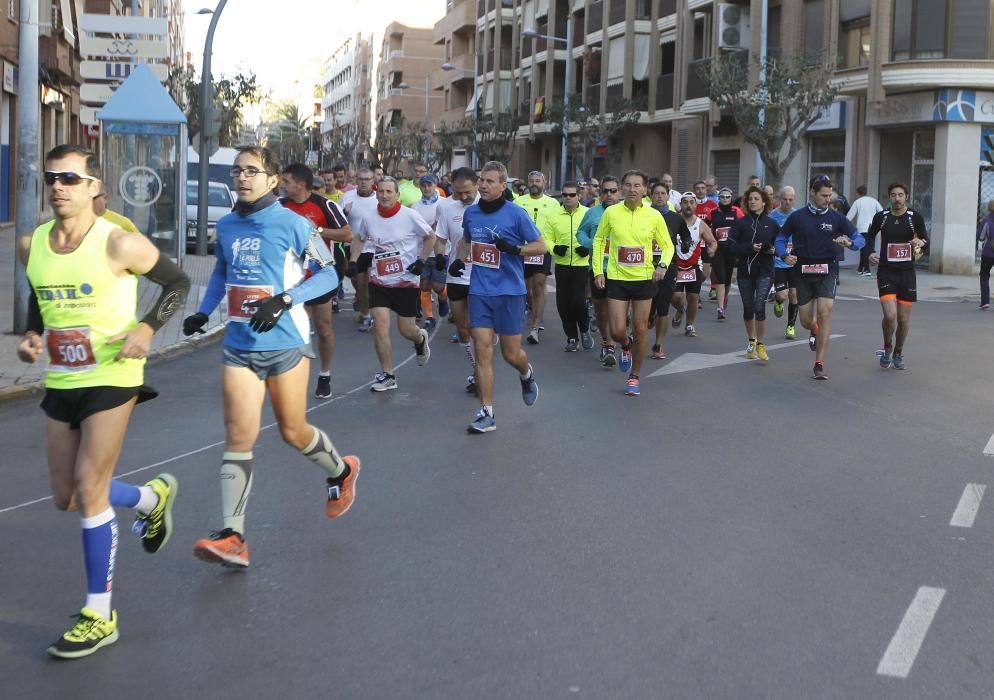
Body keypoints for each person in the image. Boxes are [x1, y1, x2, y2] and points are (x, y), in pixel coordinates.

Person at [18, 144, 189, 657]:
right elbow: (40, 290)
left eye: (71, 179)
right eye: (52, 178)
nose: (59, 187)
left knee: (90, 488)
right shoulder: (33, 244)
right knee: (67, 496)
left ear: (95, 188)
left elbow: (177, 281)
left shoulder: (118, 243)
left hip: (115, 373)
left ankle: (99, 613)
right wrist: (32, 333)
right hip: (63, 378)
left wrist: (147, 326)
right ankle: (150, 499)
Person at [183, 146, 359, 569]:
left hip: (286, 345)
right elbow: (222, 271)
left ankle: (340, 472)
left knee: (293, 431)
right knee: (239, 436)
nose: (241, 178)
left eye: (251, 171)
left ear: (272, 178)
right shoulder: (226, 225)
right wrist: (204, 311)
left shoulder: (294, 224)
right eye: (237, 171)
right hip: (240, 345)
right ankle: (234, 536)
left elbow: (329, 274)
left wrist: (283, 300)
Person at [452, 161, 544, 432]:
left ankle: (526, 375)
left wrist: (515, 249)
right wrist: (459, 260)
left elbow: (541, 245)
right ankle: (486, 413)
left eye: (490, 181)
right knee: (482, 350)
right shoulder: (472, 214)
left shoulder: (516, 214)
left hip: (510, 292)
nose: (483, 185)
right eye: (482, 180)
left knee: (511, 354)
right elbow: (466, 241)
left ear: (503, 186)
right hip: (480, 290)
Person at [348, 177, 434, 391]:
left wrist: (421, 261)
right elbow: (359, 238)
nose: (384, 195)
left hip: (406, 280)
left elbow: (430, 237)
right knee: (380, 325)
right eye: (382, 191)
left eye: (389, 192)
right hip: (380, 280)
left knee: (406, 330)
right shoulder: (369, 217)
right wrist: (352, 260)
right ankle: (388, 374)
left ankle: (419, 337)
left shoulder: (410, 216)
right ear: (377, 193)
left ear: (397, 195)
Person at [592, 170, 674, 396]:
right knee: (618, 331)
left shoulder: (653, 215)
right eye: (627, 185)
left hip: (643, 279)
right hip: (617, 277)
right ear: (622, 188)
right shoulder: (612, 213)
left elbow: (668, 246)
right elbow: (599, 240)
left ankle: (634, 377)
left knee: (640, 329)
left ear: (645, 189)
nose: (632, 189)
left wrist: (663, 266)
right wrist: (599, 270)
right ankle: (625, 345)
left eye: (637, 185)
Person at [775, 174, 863, 380]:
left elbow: (859, 238)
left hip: (828, 270)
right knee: (806, 321)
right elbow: (780, 238)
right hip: (802, 271)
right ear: (813, 193)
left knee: (825, 313)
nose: (828, 199)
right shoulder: (797, 217)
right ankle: (813, 329)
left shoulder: (836, 218)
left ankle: (819, 363)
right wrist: (784, 254)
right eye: (823, 195)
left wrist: (850, 243)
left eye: (830, 195)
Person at [279, 163, 351, 398]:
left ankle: (324, 374)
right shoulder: (280, 207)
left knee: (323, 328)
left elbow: (347, 234)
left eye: (286, 181)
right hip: (291, 276)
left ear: (300, 185)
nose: (282, 185)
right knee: (293, 328)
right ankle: (292, 375)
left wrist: (317, 230)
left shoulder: (325, 205)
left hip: (319, 274)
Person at [866, 182, 928, 370]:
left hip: (907, 273)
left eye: (900, 195)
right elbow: (869, 236)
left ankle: (898, 352)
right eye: (893, 195)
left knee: (902, 319)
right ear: (889, 197)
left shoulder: (914, 218)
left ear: (906, 197)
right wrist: (870, 252)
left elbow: (926, 241)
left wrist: (920, 243)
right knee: (890, 315)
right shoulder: (882, 217)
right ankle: (887, 347)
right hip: (886, 271)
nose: (897, 198)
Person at [434, 167, 481, 393]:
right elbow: (440, 239)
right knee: (463, 330)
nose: (463, 197)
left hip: (483, 276)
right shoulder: (447, 209)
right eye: (459, 192)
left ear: (477, 185)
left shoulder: (487, 206)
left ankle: (480, 374)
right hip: (457, 275)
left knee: (481, 330)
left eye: (468, 192)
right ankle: (476, 368)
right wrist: (441, 256)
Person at [727, 186, 780, 361]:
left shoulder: (772, 224)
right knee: (748, 308)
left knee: (759, 305)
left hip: (765, 271)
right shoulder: (740, 223)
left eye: (756, 199)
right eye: (750, 199)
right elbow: (730, 246)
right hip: (745, 272)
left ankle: (761, 344)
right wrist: (750, 247)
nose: (752, 201)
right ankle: (751, 340)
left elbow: (780, 245)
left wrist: (773, 250)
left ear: (764, 202)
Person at [576, 175, 621, 366]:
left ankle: (611, 346)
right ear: (600, 192)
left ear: (619, 192)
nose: (609, 195)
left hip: (620, 270)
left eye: (613, 191)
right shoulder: (592, 213)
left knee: (614, 309)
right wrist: (592, 244)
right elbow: (580, 233)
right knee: (601, 310)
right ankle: (606, 340)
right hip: (597, 268)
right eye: (605, 191)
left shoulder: (626, 212)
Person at [542, 180, 591, 351]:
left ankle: (584, 330)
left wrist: (588, 247)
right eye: (565, 195)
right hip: (562, 265)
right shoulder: (553, 215)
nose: (568, 198)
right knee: (563, 305)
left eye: (572, 195)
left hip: (582, 265)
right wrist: (555, 248)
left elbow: (598, 234)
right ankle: (572, 337)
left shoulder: (587, 213)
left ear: (579, 195)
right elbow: (545, 238)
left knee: (578, 301)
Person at [514, 170, 560, 344]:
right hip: (523, 249)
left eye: (537, 181)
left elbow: (556, 225)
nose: (534, 183)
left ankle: (535, 326)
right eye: (531, 180)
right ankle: (532, 309)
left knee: (539, 285)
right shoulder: (519, 202)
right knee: (527, 289)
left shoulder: (553, 203)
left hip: (542, 248)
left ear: (544, 183)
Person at [649, 182, 693, 359]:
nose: (660, 196)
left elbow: (686, 235)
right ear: (651, 196)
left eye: (663, 193)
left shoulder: (676, 218)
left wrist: (686, 243)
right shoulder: (644, 215)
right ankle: (645, 322)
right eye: (656, 193)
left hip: (668, 267)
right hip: (644, 267)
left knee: (663, 307)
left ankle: (658, 345)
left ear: (668, 196)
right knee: (645, 306)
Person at [671, 192, 718, 338]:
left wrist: (711, 249)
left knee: (693, 298)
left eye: (692, 202)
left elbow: (713, 241)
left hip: (694, 266)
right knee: (676, 297)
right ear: (681, 205)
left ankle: (689, 325)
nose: (688, 205)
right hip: (676, 265)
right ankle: (679, 310)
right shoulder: (674, 221)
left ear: (696, 205)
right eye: (685, 202)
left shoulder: (700, 224)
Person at [341, 168, 379, 330]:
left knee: (368, 282)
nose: (364, 182)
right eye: (361, 179)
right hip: (354, 246)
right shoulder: (347, 198)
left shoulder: (379, 198)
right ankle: (364, 306)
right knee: (357, 282)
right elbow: (337, 222)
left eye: (367, 179)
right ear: (356, 180)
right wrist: (345, 212)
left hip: (375, 247)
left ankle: (369, 314)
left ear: (373, 181)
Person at [411, 174, 446, 330]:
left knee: (437, 286)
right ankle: (429, 317)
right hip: (422, 251)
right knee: (424, 285)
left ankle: (443, 297)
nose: (427, 188)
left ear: (435, 185)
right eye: (424, 185)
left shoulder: (445, 204)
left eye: (429, 185)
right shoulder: (415, 207)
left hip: (440, 251)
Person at [708, 186, 745, 320]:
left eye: (727, 197)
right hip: (718, 249)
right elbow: (705, 226)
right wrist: (710, 242)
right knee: (721, 278)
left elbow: (743, 226)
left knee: (728, 279)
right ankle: (720, 308)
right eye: (722, 197)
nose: (724, 199)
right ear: (719, 198)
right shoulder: (713, 212)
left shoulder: (736, 211)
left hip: (731, 250)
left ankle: (724, 298)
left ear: (731, 198)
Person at [769, 186, 799, 338]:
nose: (787, 202)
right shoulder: (773, 216)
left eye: (790, 200)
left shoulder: (798, 216)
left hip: (795, 262)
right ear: (780, 199)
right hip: (778, 262)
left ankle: (790, 326)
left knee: (794, 294)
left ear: (794, 200)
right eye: (785, 199)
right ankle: (778, 301)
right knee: (783, 295)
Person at [847, 185, 884, 276]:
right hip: (872, 228)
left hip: (862, 228)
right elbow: (882, 212)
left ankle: (866, 269)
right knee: (869, 248)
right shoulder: (873, 201)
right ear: (866, 191)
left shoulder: (857, 202)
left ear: (858, 193)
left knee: (863, 249)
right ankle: (861, 268)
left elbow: (849, 217)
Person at [978, 200, 994, 310]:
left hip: (989, 252)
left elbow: (981, 236)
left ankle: (985, 301)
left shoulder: (987, 220)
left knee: (984, 275)